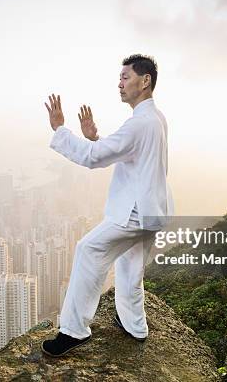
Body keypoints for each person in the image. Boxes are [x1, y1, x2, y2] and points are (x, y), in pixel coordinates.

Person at [41, 54, 173, 357]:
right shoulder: (155, 118)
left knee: (88, 250)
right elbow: (128, 154)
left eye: (126, 77)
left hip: (134, 213)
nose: (120, 83)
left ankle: (73, 331)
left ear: (145, 81)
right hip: (153, 210)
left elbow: (95, 157)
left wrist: (60, 130)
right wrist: (95, 137)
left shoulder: (140, 123)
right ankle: (134, 325)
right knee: (130, 267)